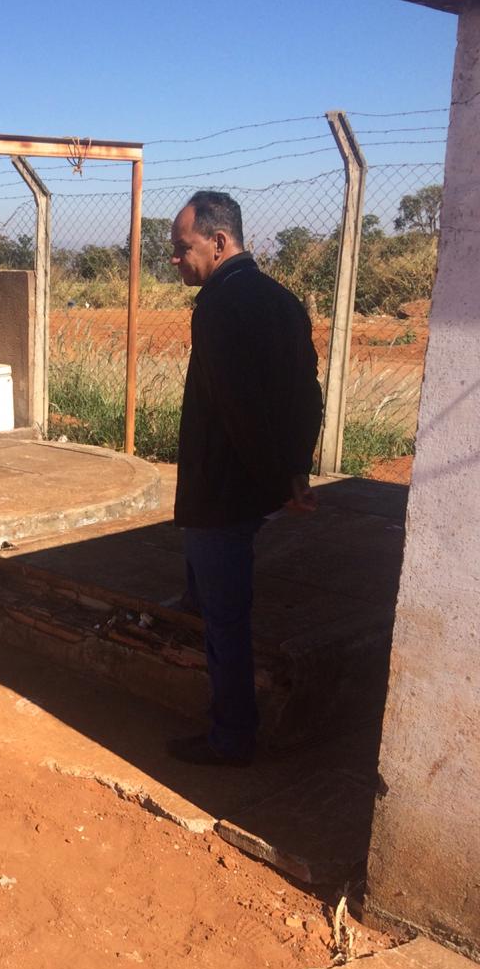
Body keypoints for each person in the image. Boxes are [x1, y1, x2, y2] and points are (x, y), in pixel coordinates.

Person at [166, 191, 323, 766]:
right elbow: (306, 394)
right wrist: (295, 469)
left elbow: (239, 409)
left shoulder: (217, 306)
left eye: (182, 248)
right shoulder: (281, 300)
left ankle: (232, 736)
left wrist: (278, 479)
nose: (175, 259)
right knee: (212, 586)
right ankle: (194, 597)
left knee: (226, 621)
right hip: (252, 483)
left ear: (218, 242)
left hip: (223, 490)